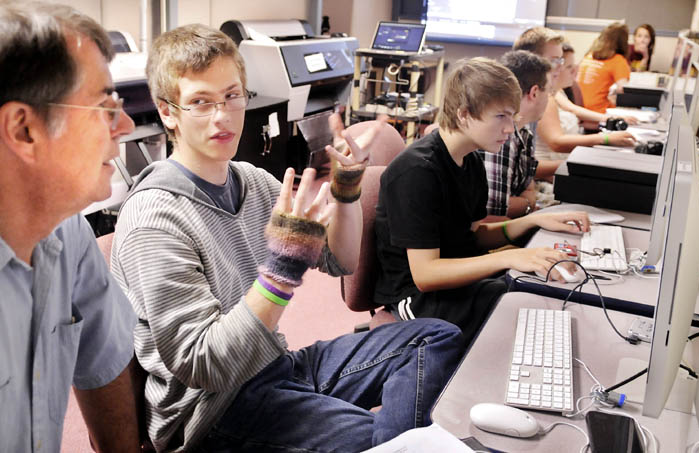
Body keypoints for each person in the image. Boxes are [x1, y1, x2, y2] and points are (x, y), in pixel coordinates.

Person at [111, 24, 463, 452]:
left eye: (231, 96)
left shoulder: (253, 180)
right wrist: (282, 270)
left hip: (276, 366)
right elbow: (207, 367)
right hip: (214, 412)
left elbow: (342, 260)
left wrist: (346, 192)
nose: (222, 116)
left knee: (437, 337)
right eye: (200, 103)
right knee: (372, 437)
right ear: (168, 112)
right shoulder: (154, 218)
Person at [0, 2, 140, 452]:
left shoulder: (65, 229)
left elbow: (104, 359)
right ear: (23, 130)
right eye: (105, 105)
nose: (126, 125)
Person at [373, 57, 590, 345]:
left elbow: (474, 236)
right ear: (464, 115)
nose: (510, 128)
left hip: (457, 279)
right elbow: (425, 274)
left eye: (512, 117)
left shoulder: (471, 160)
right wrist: (508, 256)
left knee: (540, 290)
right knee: (522, 310)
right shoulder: (417, 172)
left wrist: (532, 221)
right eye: (501, 116)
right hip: (417, 298)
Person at [476, 50, 558, 220]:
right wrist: (527, 205)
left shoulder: (524, 133)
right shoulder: (501, 136)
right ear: (534, 92)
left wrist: (525, 203)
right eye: (549, 92)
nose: (550, 98)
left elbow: (528, 189)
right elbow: (492, 212)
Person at [537, 43, 637, 159]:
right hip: (554, 169)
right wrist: (605, 138)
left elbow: (572, 108)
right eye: (569, 67)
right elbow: (556, 143)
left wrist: (609, 119)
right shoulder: (546, 98)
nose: (575, 72)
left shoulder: (556, 91)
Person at [511, 26, 567, 180]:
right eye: (554, 60)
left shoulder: (542, 95)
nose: (560, 67)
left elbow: (525, 167)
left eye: (561, 60)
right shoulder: (517, 103)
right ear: (532, 59)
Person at [577, 22, 633, 113]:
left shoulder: (589, 56)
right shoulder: (617, 60)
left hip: (578, 108)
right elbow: (623, 89)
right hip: (598, 111)